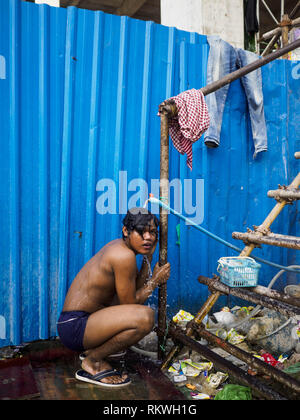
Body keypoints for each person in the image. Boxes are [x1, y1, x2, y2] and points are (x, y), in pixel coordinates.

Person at [57, 207, 170, 388]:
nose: (148, 237)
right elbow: (131, 305)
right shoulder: (122, 256)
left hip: (81, 323)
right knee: (145, 317)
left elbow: (133, 292)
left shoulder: (123, 248)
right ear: (126, 231)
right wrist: (155, 281)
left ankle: (95, 351)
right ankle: (93, 360)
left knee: (139, 314)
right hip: (75, 326)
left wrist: (147, 258)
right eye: (142, 232)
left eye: (153, 233)